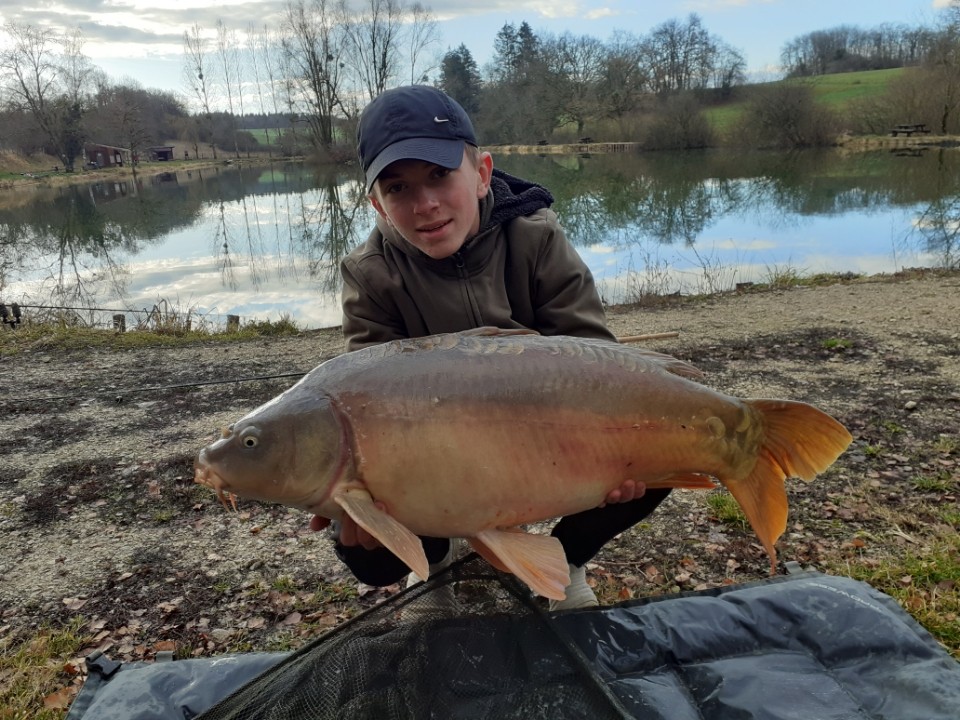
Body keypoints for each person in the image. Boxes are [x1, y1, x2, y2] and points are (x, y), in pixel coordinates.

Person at [311, 85, 670, 610]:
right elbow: (370, 401)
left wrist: (615, 456)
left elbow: (595, 358)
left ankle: (563, 563)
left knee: (659, 446)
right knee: (366, 549)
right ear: (377, 205)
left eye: (439, 175)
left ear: (481, 174)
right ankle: (430, 564)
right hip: (438, 454)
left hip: (549, 438)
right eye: (398, 188)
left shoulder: (536, 237)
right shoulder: (371, 275)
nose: (425, 204)